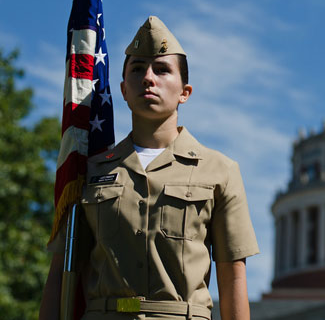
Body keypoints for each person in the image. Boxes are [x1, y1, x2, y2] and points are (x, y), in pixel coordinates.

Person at [39, 16, 259, 320]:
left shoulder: (220, 171)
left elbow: (233, 276)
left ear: (185, 92)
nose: (148, 78)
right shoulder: (87, 173)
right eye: (138, 69)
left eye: (162, 69)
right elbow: (61, 273)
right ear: (123, 90)